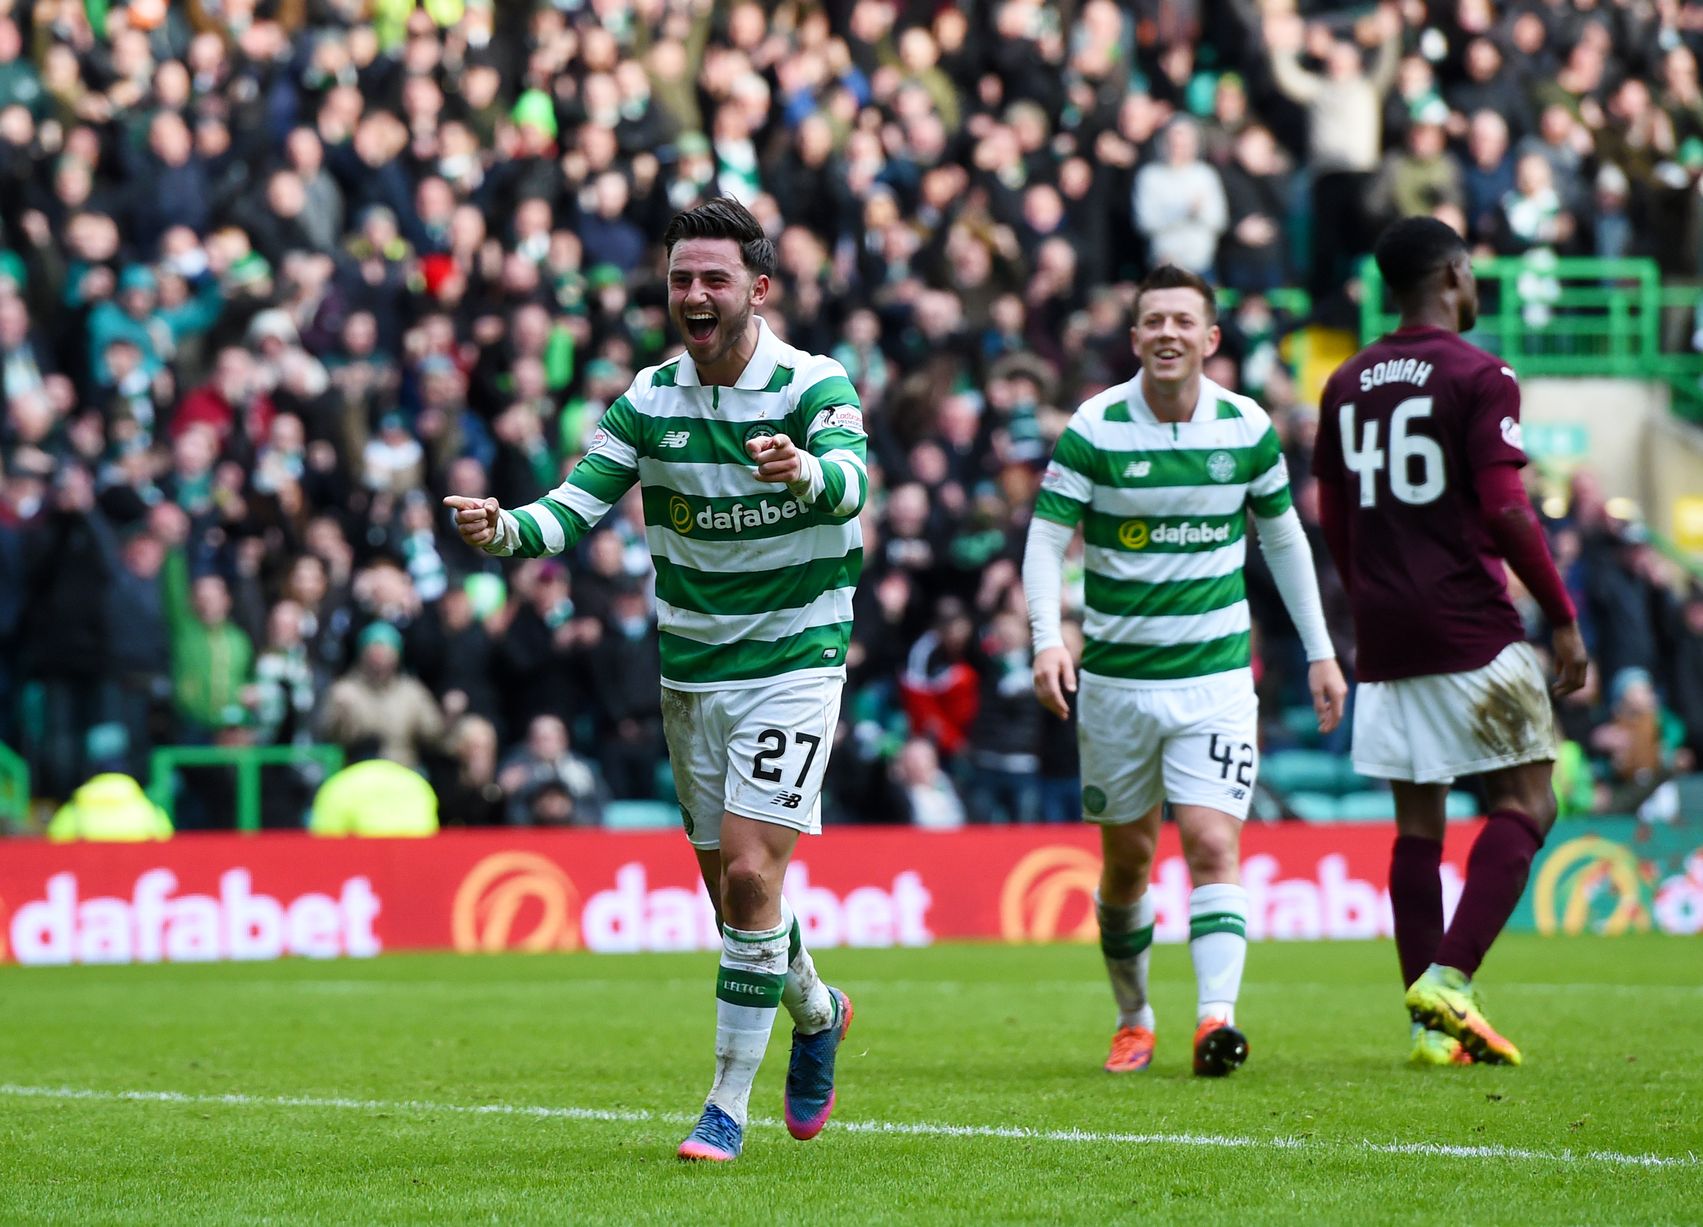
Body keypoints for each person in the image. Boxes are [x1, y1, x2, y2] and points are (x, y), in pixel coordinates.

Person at [445, 198, 866, 1162]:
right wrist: (504, 529)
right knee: (735, 902)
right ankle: (817, 1011)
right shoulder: (648, 398)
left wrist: (801, 470)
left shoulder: (814, 382)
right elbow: (572, 505)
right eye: (682, 278)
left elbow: (851, 483)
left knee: (758, 873)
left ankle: (724, 1104)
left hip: (795, 656)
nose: (695, 294)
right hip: (691, 670)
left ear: (757, 288)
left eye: (714, 277)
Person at [1024, 264, 1347, 1078]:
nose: (1166, 332)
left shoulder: (1245, 428)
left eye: (1182, 321)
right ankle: (1134, 1017)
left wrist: (1318, 650)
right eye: (1152, 321)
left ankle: (1216, 1021)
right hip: (1118, 688)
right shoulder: (1094, 428)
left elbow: (1282, 541)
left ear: (1208, 338)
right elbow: (1042, 538)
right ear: (1133, 338)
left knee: (1210, 842)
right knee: (1128, 860)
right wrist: (1045, 637)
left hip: (1214, 683)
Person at [1312, 216, 1588, 1068]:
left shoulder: (1346, 381)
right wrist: (1563, 615)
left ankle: (1429, 1033)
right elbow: (1505, 504)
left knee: (1417, 823)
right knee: (1530, 801)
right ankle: (1451, 979)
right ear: (1457, 275)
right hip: (1467, 617)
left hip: (1385, 626)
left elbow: (1333, 515)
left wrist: (1367, 604)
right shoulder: (1479, 373)